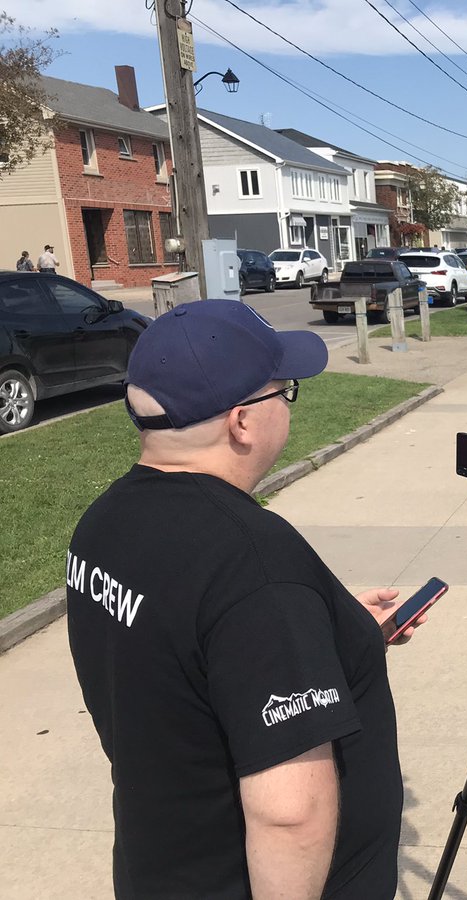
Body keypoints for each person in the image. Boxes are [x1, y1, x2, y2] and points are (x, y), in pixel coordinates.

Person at [66, 300, 424, 897]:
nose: (288, 406)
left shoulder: (104, 523)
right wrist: (283, 624)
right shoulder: (252, 565)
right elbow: (290, 813)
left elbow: (189, 662)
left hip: (160, 867)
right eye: (285, 392)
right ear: (242, 421)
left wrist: (329, 637)